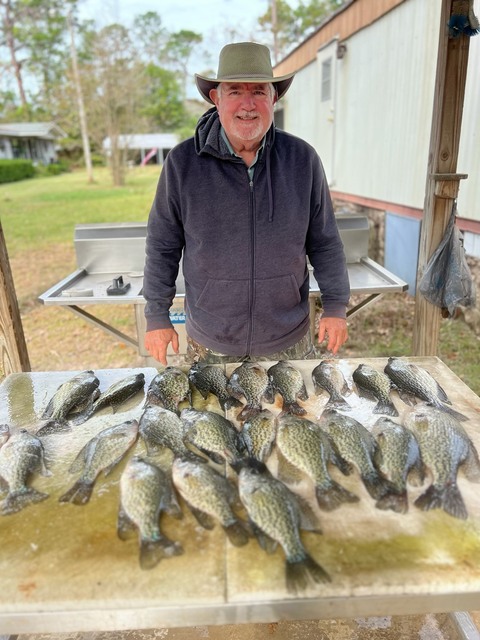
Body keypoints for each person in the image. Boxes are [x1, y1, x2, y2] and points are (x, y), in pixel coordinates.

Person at [143, 41, 350, 366]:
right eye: (236, 91)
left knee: (293, 417)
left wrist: (336, 306)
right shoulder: (182, 164)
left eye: (258, 91)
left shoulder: (302, 160)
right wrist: (157, 316)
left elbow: (324, 242)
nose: (248, 104)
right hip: (212, 340)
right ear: (217, 98)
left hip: (289, 337)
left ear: (274, 97)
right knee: (212, 418)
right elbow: (162, 245)